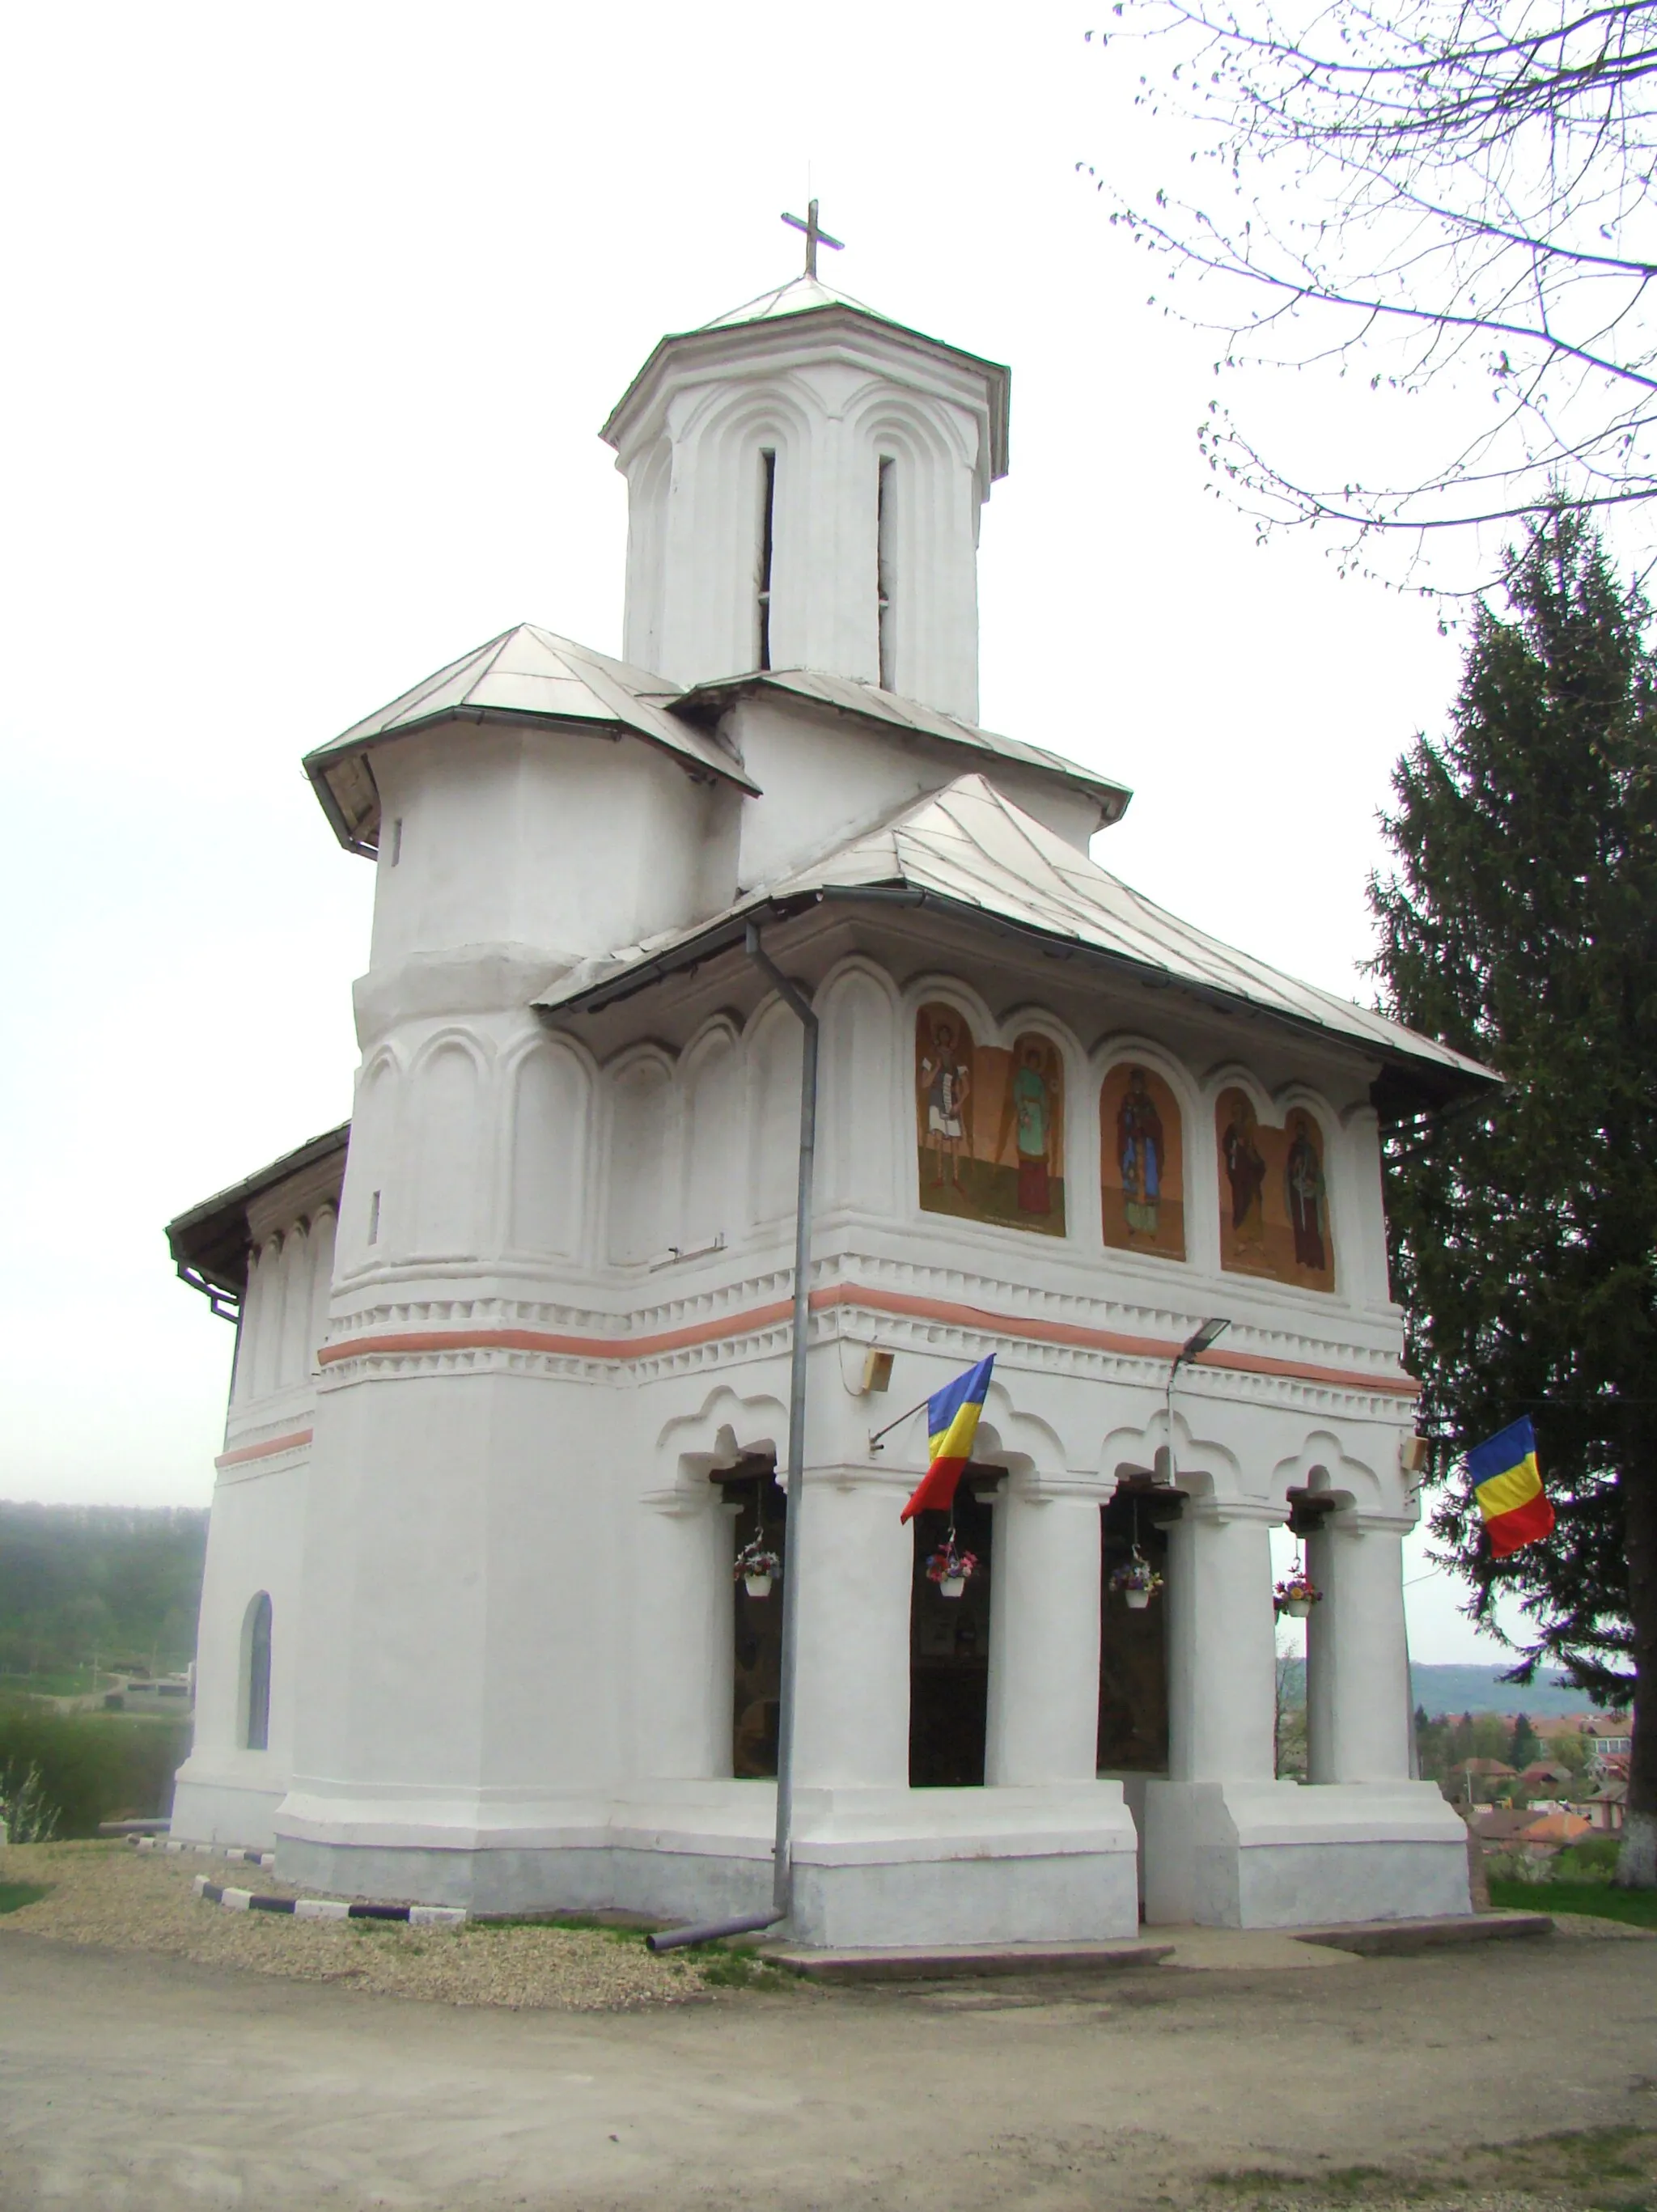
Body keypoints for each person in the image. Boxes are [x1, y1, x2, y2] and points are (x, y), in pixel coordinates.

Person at [918, 1016, 972, 1188]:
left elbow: (967, 1087)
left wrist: (959, 1104)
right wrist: (937, 1068)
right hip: (935, 1098)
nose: (944, 1038)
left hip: (951, 1100)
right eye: (941, 1034)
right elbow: (924, 1083)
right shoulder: (931, 1056)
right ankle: (939, 1176)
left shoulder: (956, 1059)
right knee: (939, 1139)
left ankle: (956, 1178)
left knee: (955, 1140)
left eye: (947, 1035)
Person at [1117, 1067, 1164, 1237]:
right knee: (1132, 1181)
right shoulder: (1127, 1100)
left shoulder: (1147, 1102)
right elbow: (1122, 1122)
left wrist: (1145, 1123)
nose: (1137, 1085)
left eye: (1140, 1082)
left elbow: (1155, 1125)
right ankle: (1132, 1224)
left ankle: (1150, 1226)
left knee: (1149, 1182)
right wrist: (1129, 1121)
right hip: (1132, 1146)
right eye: (1134, 1082)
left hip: (1147, 1147)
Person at [1011, 1043, 1054, 1214]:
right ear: (1028, 1061)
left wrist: (1046, 1123)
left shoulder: (1039, 1080)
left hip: (1038, 1122)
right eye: (1032, 1060)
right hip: (1027, 1118)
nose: (1034, 1064)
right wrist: (1023, 1114)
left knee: (1039, 1161)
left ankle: (1039, 1203)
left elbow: (1044, 1102)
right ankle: (1026, 1202)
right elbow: (1017, 1095)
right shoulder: (1022, 1075)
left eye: (1037, 1061)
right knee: (1027, 1161)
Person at [1221, 1091, 1267, 1250]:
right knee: (1240, 1203)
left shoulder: (1247, 1132)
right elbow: (1227, 1147)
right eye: (1236, 1111)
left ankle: (1256, 1237)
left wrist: (1250, 1153)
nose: (1237, 1115)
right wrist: (1234, 1148)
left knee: (1255, 1202)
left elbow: (1252, 1151)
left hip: (1250, 1173)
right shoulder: (1231, 1130)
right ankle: (1241, 1238)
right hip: (1239, 1174)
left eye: (1240, 1111)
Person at [1285, 1112, 1328, 1271]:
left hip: (1309, 1193)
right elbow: (1290, 1171)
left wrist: (1312, 1181)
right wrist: (1296, 1167)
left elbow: (1315, 1170)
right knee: (1299, 1222)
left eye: (1303, 1130)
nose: (1300, 1133)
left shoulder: (1310, 1150)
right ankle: (1302, 1256)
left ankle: (1315, 1258)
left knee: (1311, 1223)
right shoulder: (1294, 1149)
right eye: (1298, 1130)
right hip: (1297, 1192)